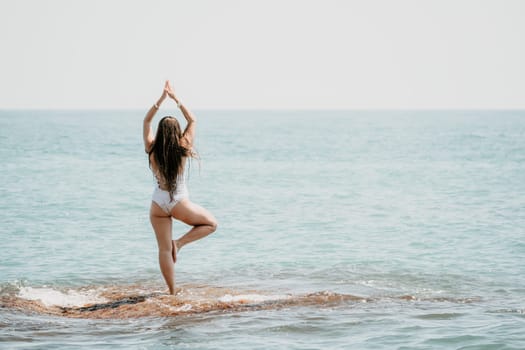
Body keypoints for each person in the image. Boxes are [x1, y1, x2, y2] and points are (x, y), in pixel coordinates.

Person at [143, 80, 218, 295]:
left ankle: (172, 291)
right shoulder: (184, 146)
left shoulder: (151, 148)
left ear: (160, 131)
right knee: (211, 224)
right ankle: (181, 243)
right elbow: (192, 119)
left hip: (158, 204)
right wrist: (176, 99)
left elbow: (146, 120)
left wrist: (160, 101)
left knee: (163, 249)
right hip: (178, 202)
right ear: (177, 132)